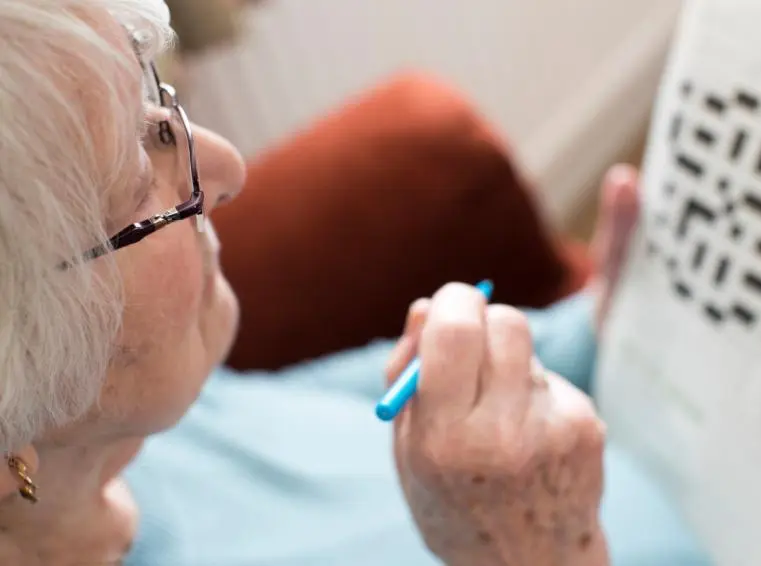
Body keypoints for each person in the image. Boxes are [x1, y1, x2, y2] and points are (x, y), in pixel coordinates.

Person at [0, 1, 709, 565]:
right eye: (135, 182)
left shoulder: (138, 431)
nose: (226, 168)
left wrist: (597, 327)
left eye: (156, 107)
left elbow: (343, 421)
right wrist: (539, 552)